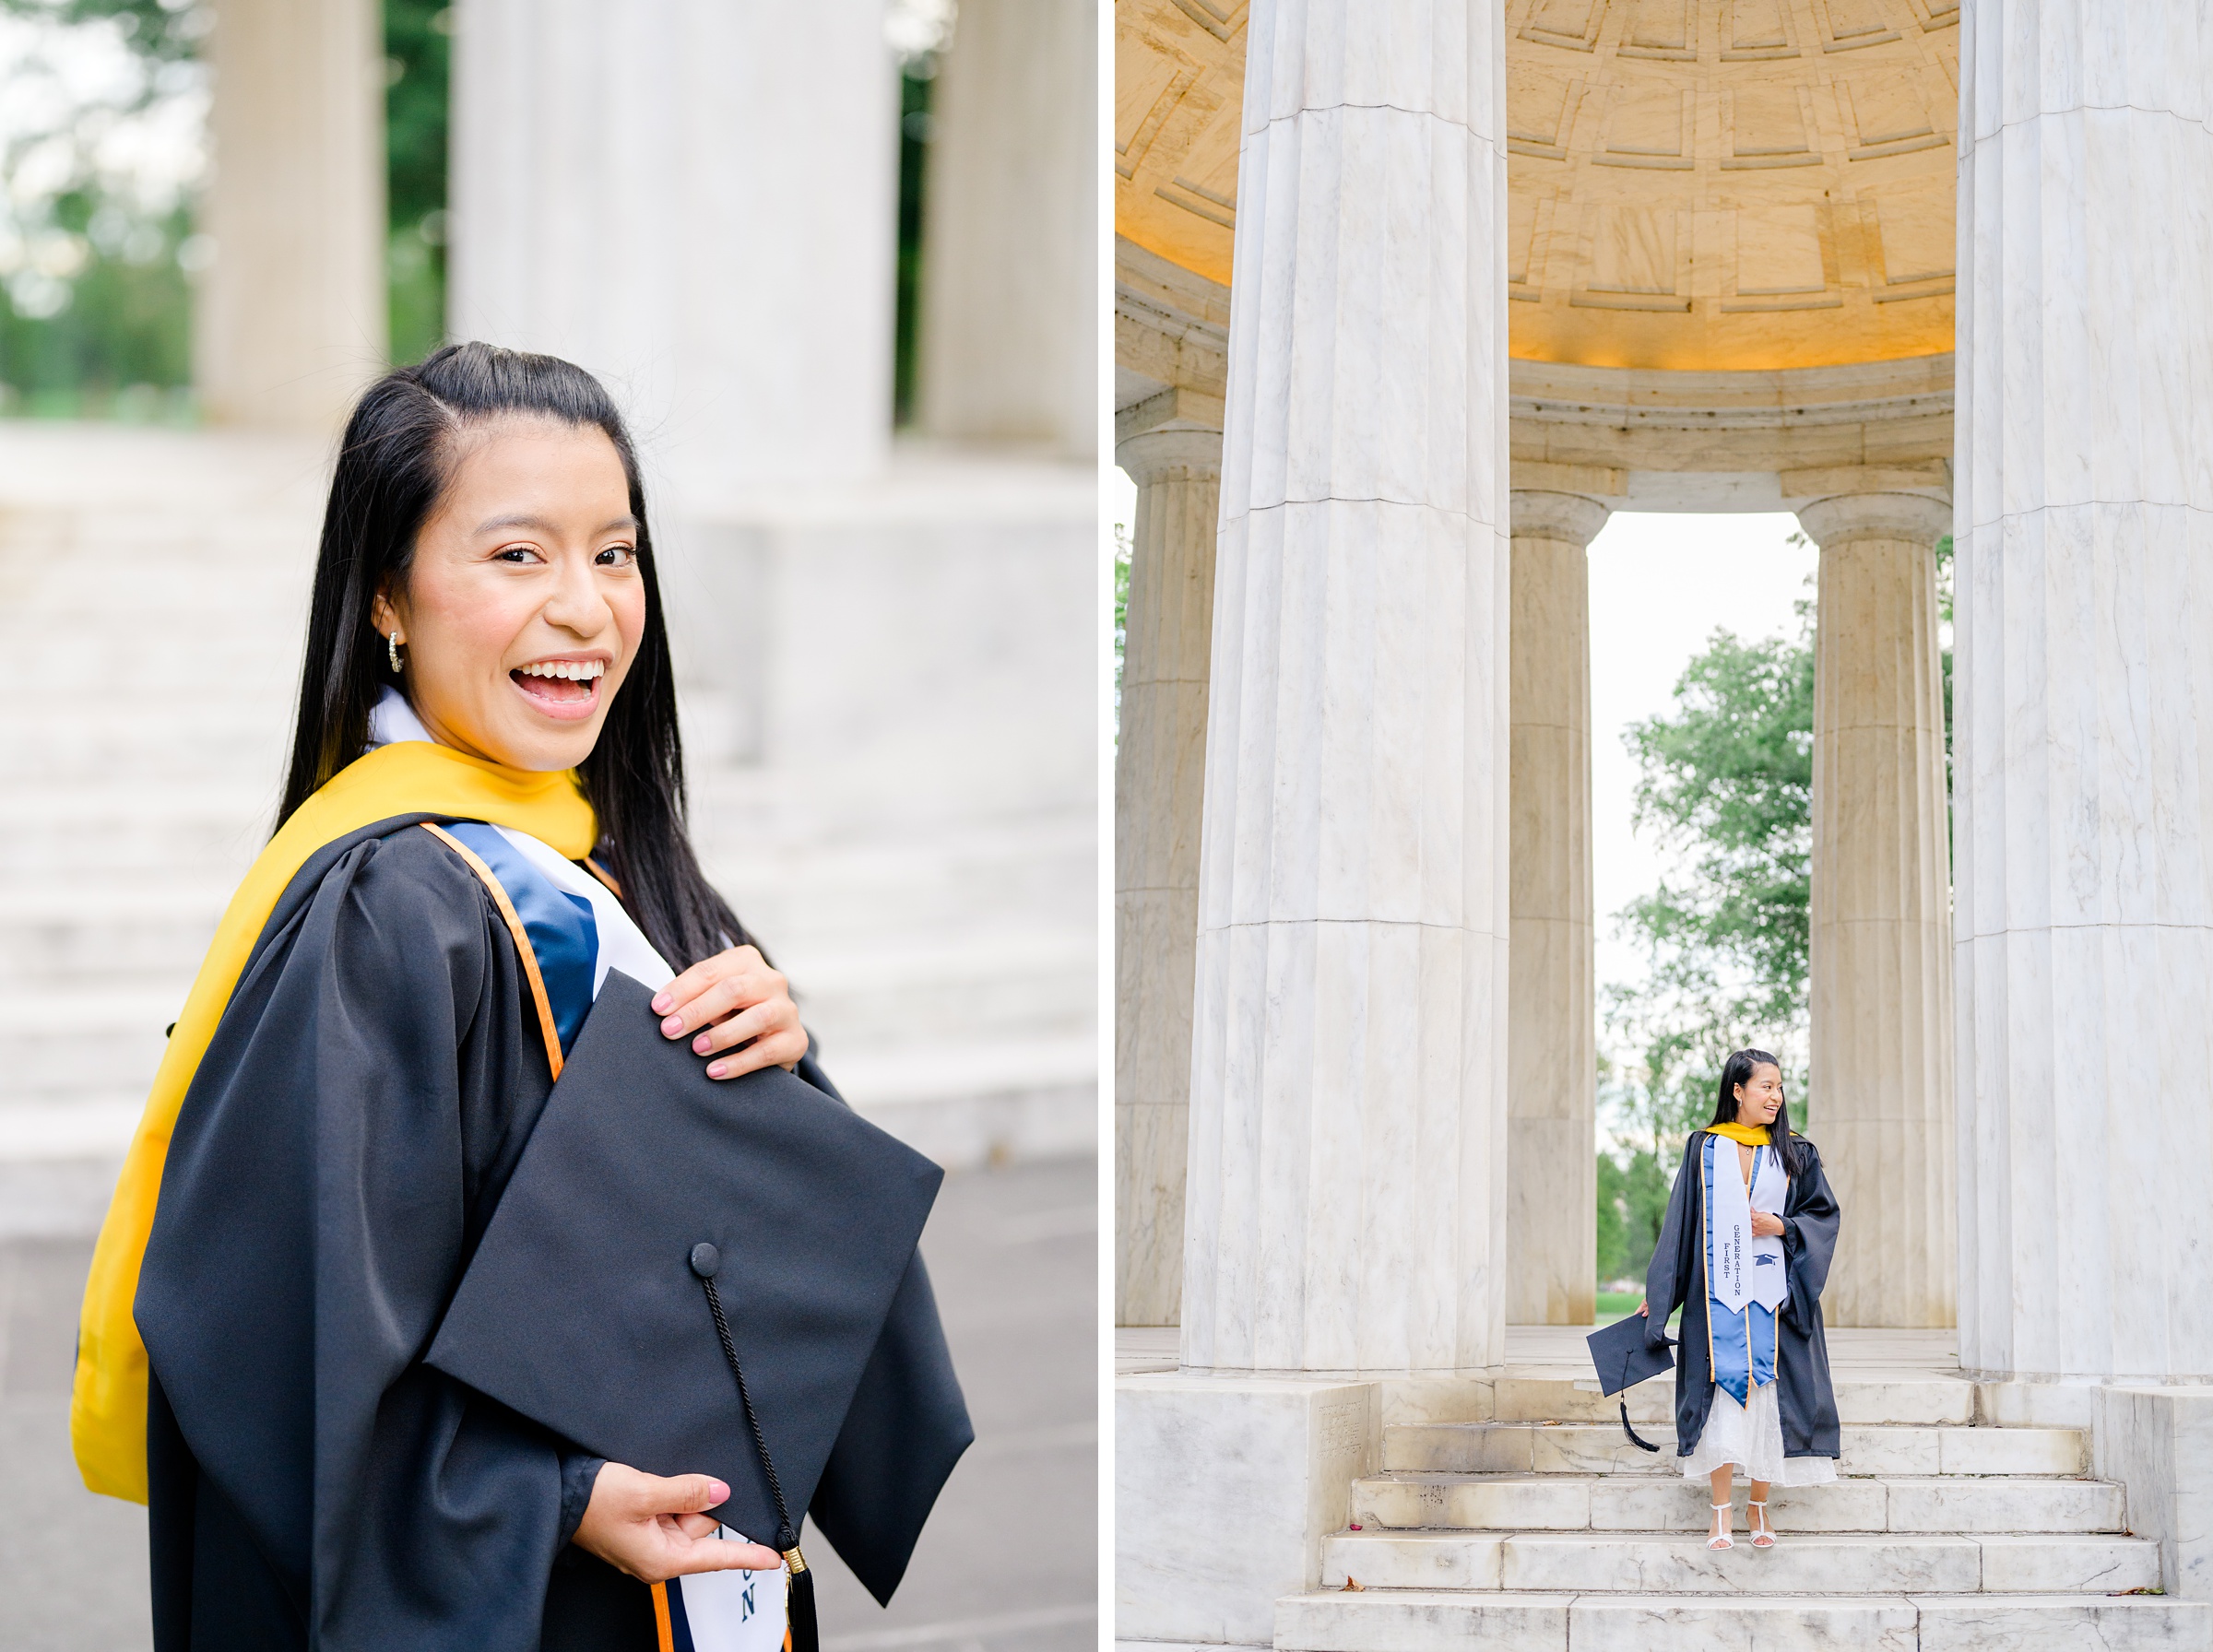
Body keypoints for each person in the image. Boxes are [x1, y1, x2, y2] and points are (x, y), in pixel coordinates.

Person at [68, 343, 966, 1648]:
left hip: (683, 1562)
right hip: (538, 1597)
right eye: (517, 556)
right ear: (389, 594)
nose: (587, 609)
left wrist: (771, 1074)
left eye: (614, 553)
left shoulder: (595, 852)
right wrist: (547, 1503)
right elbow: (276, 1344)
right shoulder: (387, 905)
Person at [1639, 1048, 1840, 1551]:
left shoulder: (1796, 1152)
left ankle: (1758, 1508)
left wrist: (1782, 1226)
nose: (1775, 1097)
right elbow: (1682, 1226)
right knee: (1726, 1399)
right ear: (1738, 1090)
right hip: (1717, 1300)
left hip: (1776, 1299)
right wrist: (1660, 1296)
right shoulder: (1705, 1148)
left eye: (1778, 1087)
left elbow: (1823, 1217)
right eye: (1765, 1087)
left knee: (1771, 1401)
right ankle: (1721, 1512)